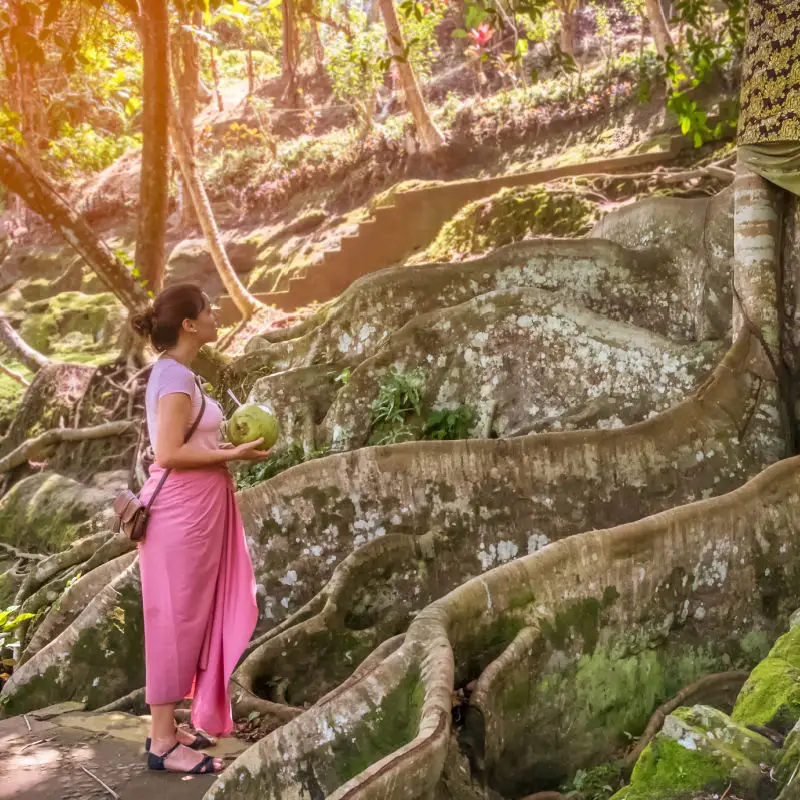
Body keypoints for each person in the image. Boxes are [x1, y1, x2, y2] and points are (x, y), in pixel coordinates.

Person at [130, 283, 268, 775]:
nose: (216, 314)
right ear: (188, 324)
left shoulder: (183, 374)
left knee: (194, 618)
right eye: (208, 310)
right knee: (174, 621)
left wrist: (232, 438)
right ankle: (163, 744)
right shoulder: (172, 377)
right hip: (180, 516)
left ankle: (169, 726)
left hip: (201, 514)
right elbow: (167, 453)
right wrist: (231, 455)